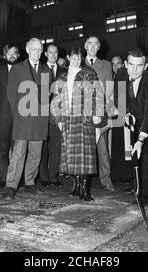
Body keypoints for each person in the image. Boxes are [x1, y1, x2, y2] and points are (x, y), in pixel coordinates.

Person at [51, 47, 105, 201]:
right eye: (73, 58)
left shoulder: (89, 73)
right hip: (68, 118)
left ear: (81, 58)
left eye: (78, 57)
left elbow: (97, 94)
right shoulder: (62, 75)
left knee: (85, 155)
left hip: (84, 117)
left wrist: (97, 114)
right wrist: (58, 119)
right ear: (68, 57)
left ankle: (85, 189)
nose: (75, 60)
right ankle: (76, 186)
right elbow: (56, 98)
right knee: (71, 154)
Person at [2, 38, 52, 200]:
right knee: (18, 153)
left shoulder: (46, 71)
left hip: (39, 119)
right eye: (34, 49)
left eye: (40, 49)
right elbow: (11, 94)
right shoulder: (17, 68)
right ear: (27, 49)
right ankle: (11, 185)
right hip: (23, 118)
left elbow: (45, 96)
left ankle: (30, 182)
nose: (37, 52)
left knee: (36, 153)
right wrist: (18, 113)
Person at [114, 49, 148, 203]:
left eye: (139, 66)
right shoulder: (120, 74)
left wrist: (141, 139)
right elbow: (119, 98)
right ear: (126, 64)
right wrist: (126, 113)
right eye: (131, 65)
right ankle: (137, 186)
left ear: (146, 66)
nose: (134, 70)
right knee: (134, 155)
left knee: (147, 156)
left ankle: (146, 196)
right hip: (132, 118)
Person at [83, 35, 116, 192]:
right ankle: (81, 182)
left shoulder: (106, 65)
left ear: (99, 47)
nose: (92, 46)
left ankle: (106, 179)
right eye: (90, 43)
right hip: (81, 112)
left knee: (102, 149)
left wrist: (108, 114)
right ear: (85, 46)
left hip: (100, 111)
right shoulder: (77, 63)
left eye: (96, 44)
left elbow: (109, 91)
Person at [0, 44, 19, 189]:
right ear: (5, 55)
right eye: (9, 52)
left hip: (19, 117)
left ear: (18, 55)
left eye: (15, 52)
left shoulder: (22, 70)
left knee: (17, 149)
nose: (12, 55)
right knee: (2, 147)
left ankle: (14, 179)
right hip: (2, 115)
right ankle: (2, 177)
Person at [39, 43, 66, 187]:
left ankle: (53, 176)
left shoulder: (63, 71)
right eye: (50, 52)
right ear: (45, 54)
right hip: (42, 114)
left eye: (56, 53)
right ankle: (43, 177)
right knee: (43, 147)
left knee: (56, 147)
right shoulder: (40, 69)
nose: (53, 55)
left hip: (57, 115)